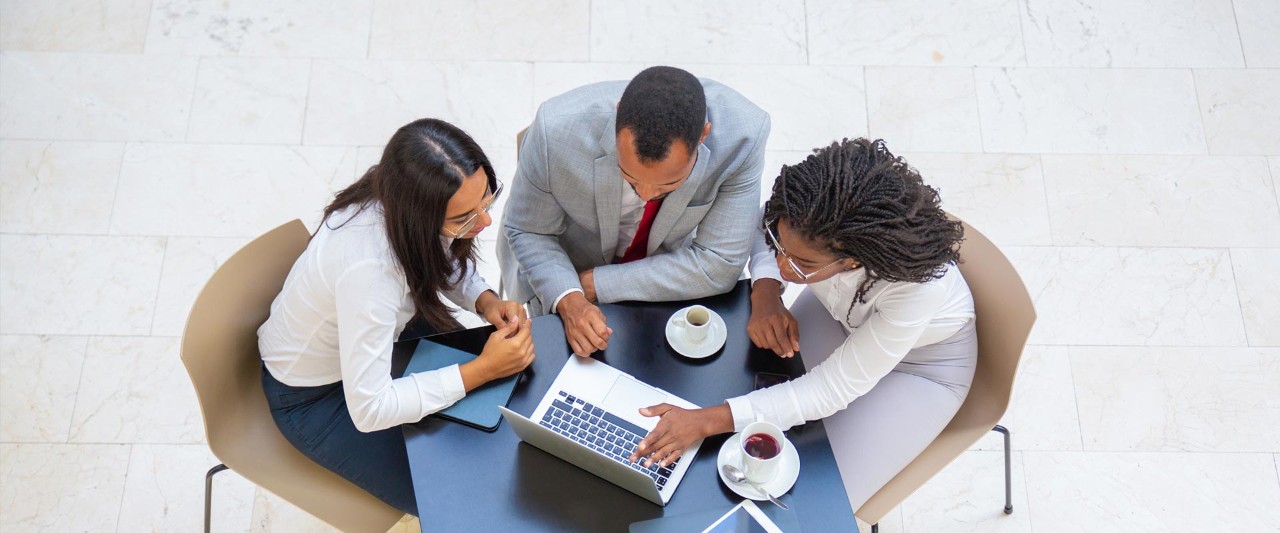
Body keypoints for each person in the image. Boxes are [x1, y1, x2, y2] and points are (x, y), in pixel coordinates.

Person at [629, 138, 977, 511]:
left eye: (801, 264)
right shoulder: (807, 218)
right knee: (747, 386)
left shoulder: (917, 291)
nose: (782, 266)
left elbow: (830, 391)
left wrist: (705, 421)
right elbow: (764, 226)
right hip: (842, 320)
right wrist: (765, 292)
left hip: (923, 368)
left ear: (851, 261)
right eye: (781, 248)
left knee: (816, 500)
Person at [257, 118, 536, 516]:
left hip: (382, 338)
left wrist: (486, 300)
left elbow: (435, 252)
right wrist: (482, 370)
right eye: (465, 218)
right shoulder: (370, 272)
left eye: (486, 202)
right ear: (420, 216)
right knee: (460, 500)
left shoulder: (397, 196)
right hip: (314, 396)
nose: (486, 223)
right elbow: (370, 408)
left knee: (500, 425)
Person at [498, 66, 770, 357]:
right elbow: (530, 230)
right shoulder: (554, 131)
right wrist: (570, 296)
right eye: (630, 178)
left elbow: (720, 261)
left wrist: (596, 284)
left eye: (669, 184)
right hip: (563, 267)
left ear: (703, 135)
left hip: (665, 273)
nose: (646, 194)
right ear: (617, 118)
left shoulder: (744, 136)